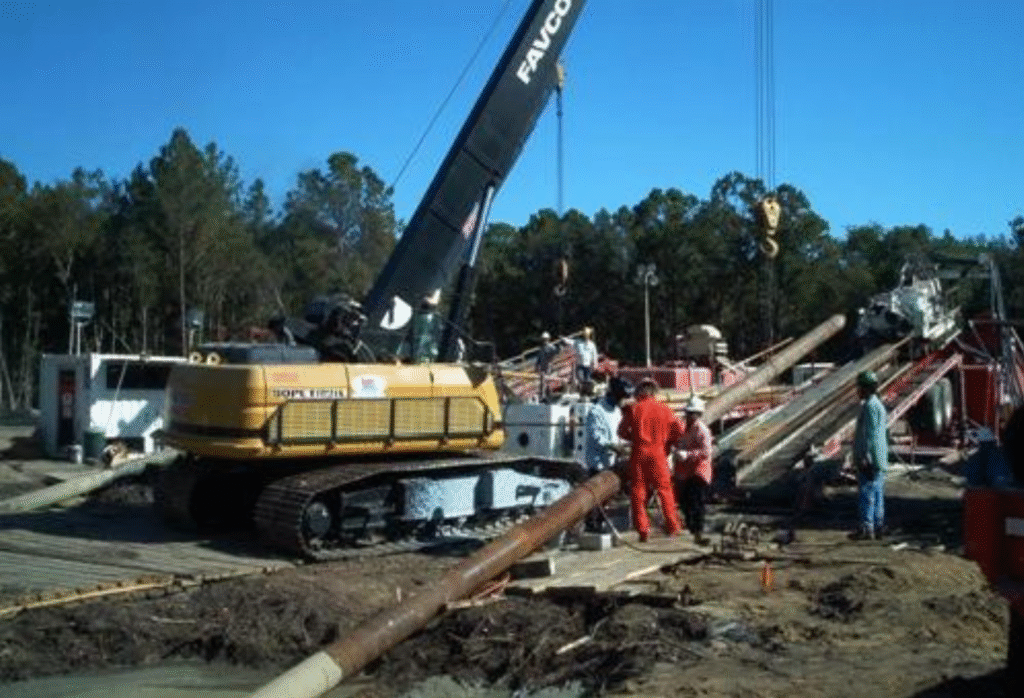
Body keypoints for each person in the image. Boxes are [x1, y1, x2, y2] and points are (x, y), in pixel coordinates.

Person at [617, 377, 684, 542]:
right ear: (654, 392)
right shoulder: (664, 409)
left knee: (638, 491)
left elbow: (621, 432)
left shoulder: (634, 409)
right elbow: (679, 430)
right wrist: (666, 442)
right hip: (658, 453)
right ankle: (673, 526)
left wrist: (634, 437)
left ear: (640, 391)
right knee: (665, 490)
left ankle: (643, 530)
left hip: (639, 452)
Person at [581, 377, 632, 532]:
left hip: (611, 463)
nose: (623, 401)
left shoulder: (617, 411)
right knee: (596, 501)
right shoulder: (596, 411)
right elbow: (596, 438)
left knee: (607, 499)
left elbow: (619, 433)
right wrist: (612, 446)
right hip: (597, 463)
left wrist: (624, 444)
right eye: (621, 398)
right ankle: (592, 528)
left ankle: (601, 525)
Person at [849, 370, 888, 540]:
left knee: (867, 494)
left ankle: (866, 528)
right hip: (879, 457)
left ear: (865, 388)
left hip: (871, 458)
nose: (857, 391)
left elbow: (870, 434)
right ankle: (878, 526)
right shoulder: (877, 404)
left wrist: (866, 457)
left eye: (859, 387)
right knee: (877, 492)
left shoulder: (870, 406)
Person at [673, 395, 713, 545]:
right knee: (684, 502)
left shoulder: (702, 430)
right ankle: (692, 529)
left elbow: (706, 452)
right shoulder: (684, 429)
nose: (690, 416)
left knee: (697, 502)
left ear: (698, 414)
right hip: (685, 471)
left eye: (693, 413)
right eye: (688, 413)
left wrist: (688, 454)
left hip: (699, 471)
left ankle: (699, 532)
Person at [535, 331, 562, 400]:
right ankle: (543, 395)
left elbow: (556, 352)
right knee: (542, 382)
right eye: (543, 339)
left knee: (547, 381)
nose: (544, 341)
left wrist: (560, 347)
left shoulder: (550, 347)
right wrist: (537, 365)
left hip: (548, 366)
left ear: (548, 339)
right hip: (542, 367)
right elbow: (539, 358)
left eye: (545, 339)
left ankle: (547, 395)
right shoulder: (542, 348)